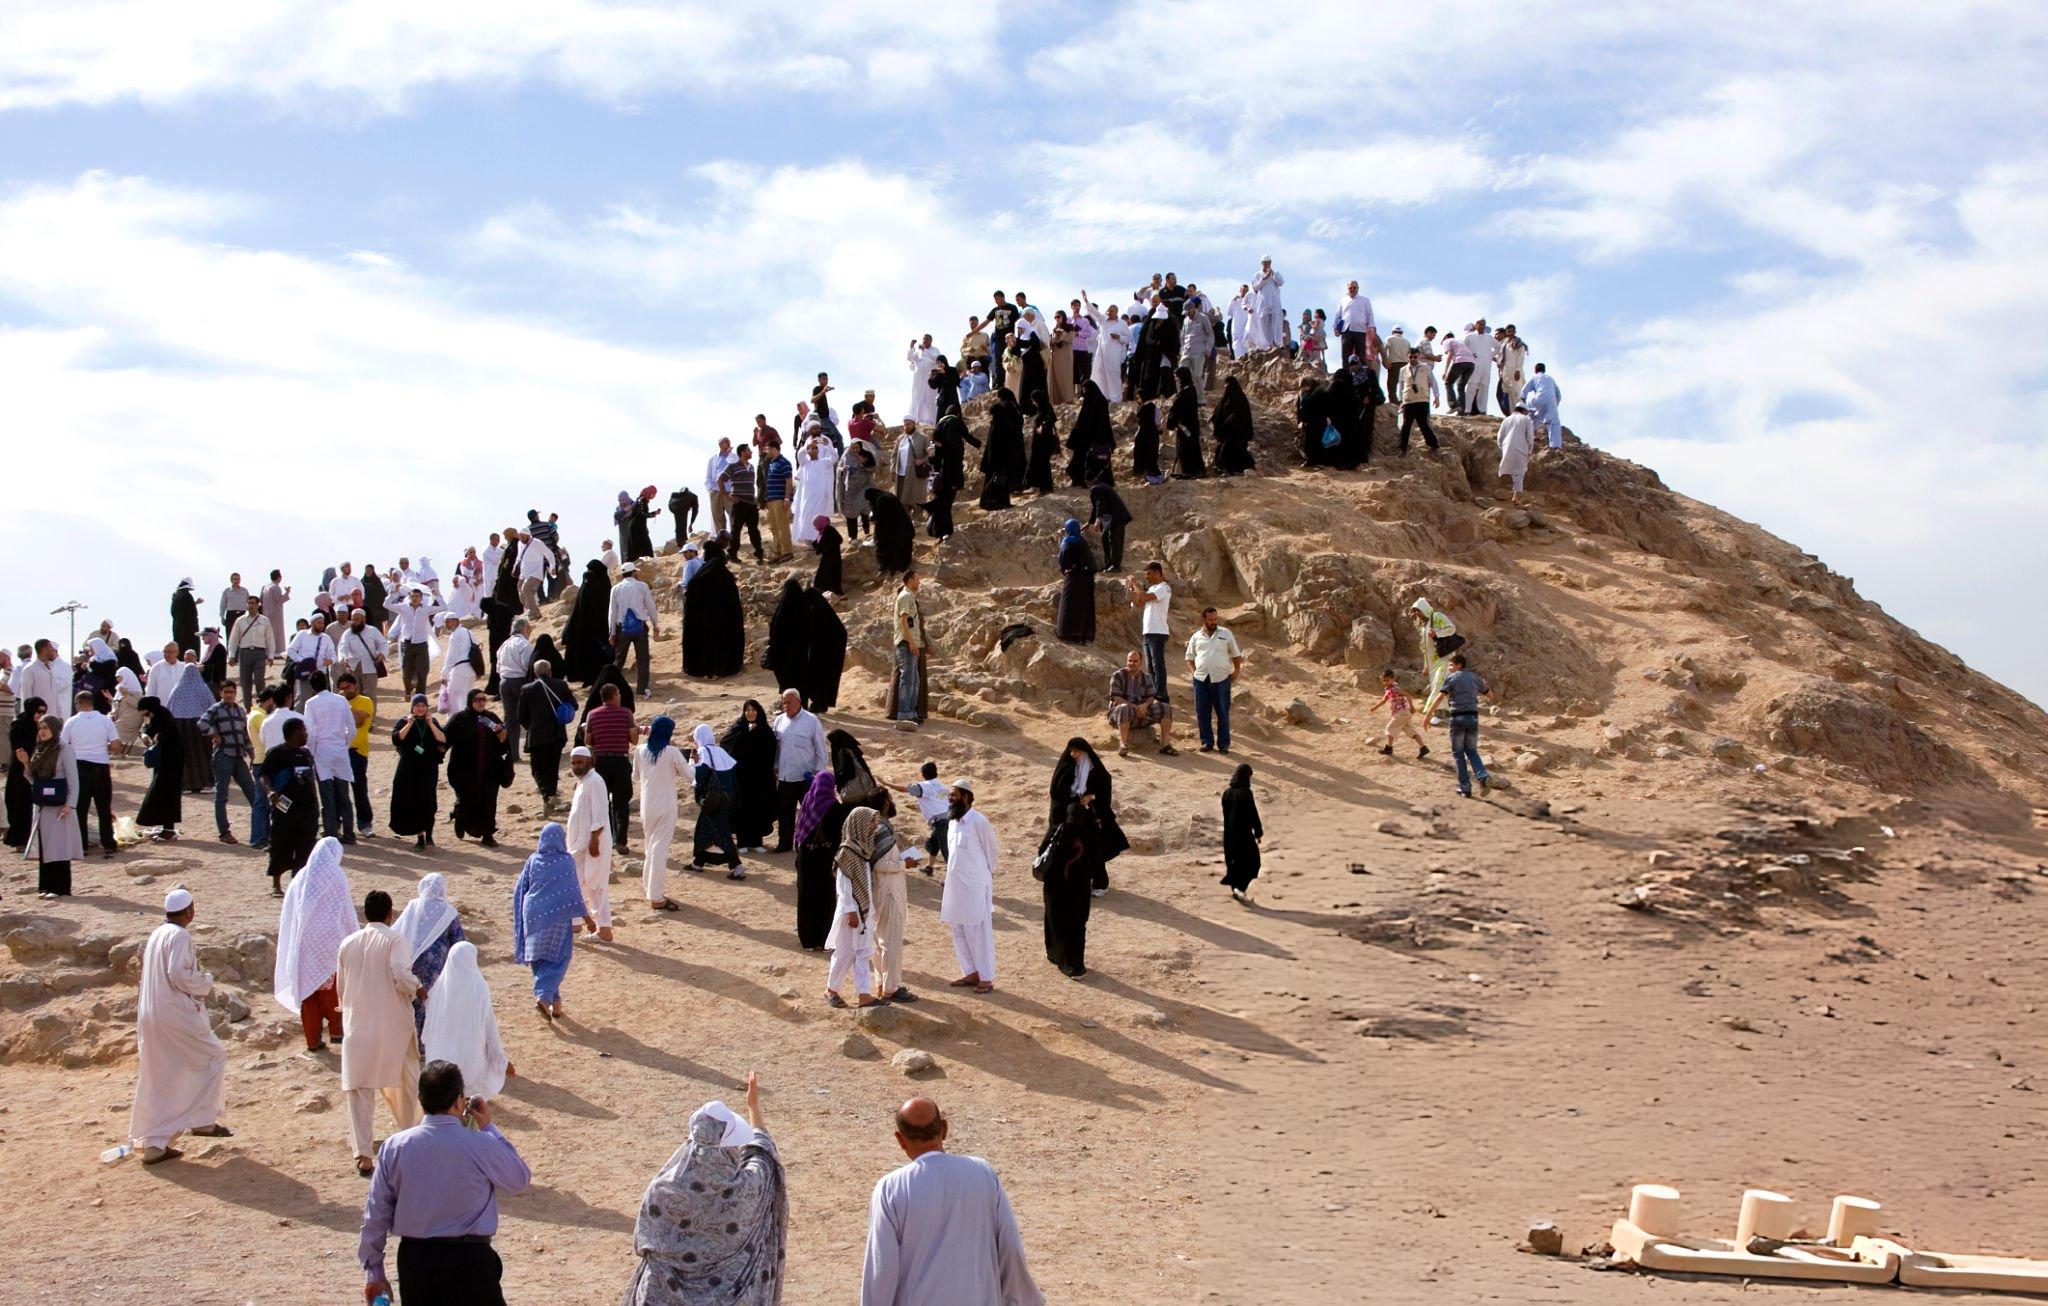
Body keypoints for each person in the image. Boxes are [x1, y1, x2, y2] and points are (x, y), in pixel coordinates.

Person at [358, 1059, 531, 1306]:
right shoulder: (478, 1143)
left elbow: (376, 1214)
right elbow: (519, 1179)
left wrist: (374, 1273)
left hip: (416, 1264)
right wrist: (488, 1127)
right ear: (459, 1100)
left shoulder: (395, 1148)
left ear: (420, 1099)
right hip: (471, 1263)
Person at [861, 1097, 1041, 1306]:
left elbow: (882, 1268)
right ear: (944, 1129)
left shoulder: (890, 1189)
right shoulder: (982, 1173)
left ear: (900, 1140)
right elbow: (1010, 1248)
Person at [625, 1077, 785, 1305]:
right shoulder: (748, 1190)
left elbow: (644, 1244)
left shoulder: (662, 1189)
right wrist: (753, 1108)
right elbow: (762, 1152)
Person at [127, 888, 233, 1165]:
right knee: (214, 1056)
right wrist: (205, 982)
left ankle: (155, 1143)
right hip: (175, 1014)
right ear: (189, 911)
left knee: (164, 1073)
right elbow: (178, 974)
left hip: (153, 1013)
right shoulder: (180, 935)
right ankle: (202, 1120)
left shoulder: (158, 934)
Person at [337, 889, 422, 1177]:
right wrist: (415, 988)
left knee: (359, 1089)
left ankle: (363, 1155)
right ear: (390, 914)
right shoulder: (394, 939)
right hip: (392, 1024)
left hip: (358, 1023)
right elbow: (400, 971)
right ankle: (412, 1139)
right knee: (408, 1079)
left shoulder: (348, 943)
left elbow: (342, 987)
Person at [274, 836, 353, 1051]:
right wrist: (353, 935)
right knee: (333, 993)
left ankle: (313, 1040)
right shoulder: (337, 876)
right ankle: (337, 1032)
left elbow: (290, 912)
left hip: (306, 946)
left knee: (309, 997)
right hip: (331, 945)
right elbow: (345, 911)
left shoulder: (301, 877)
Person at [512, 823, 592, 1020]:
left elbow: (521, 887)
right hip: (556, 918)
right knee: (558, 958)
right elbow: (573, 893)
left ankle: (555, 1006)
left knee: (540, 958)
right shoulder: (566, 861)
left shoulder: (533, 860)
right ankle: (543, 996)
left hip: (532, 915)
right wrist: (588, 919)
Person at [420, 942, 510, 1109]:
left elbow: (428, 1028)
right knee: (467, 1106)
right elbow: (489, 1027)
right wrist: (500, 1060)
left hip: (440, 1061)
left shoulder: (439, 988)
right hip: (470, 1060)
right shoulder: (478, 988)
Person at [941, 780, 1000, 994]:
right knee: (958, 929)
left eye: (954, 795)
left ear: (966, 796)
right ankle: (971, 972)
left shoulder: (979, 821)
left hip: (975, 886)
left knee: (978, 931)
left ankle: (986, 977)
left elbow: (992, 854)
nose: (950, 798)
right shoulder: (953, 822)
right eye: (949, 794)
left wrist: (983, 877)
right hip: (955, 886)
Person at [826, 803, 887, 1007]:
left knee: (863, 952)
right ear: (859, 824)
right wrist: (852, 912)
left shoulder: (863, 851)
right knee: (845, 953)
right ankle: (831, 991)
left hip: (864, 913)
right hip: (851, 914)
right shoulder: (847, 853)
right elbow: (843, 887)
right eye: (870, 822)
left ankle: (864, 994)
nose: (873, 827)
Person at [395, 872, 465, 1038]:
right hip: (435, 967)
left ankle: (406, 1043)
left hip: (410, 961)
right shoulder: (448, 911)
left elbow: (398, 929)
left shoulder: (413, 905)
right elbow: (459, 941)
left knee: (409, 1001)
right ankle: (424, 1044)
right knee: (430, 1003)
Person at [197, 680, 265, 847]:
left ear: (235, 694)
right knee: (221, 796)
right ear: (220, 693)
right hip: (223, 756)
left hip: (238, 756)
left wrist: (250, 751)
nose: (228, 695)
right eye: (225, 692)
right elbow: (201, 723)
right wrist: (214, 734)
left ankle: (262, 830)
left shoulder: (240, 712)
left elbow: (245, 736)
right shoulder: (216, 709)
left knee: (253, 793)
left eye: (231, 692)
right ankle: (224, 832)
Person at [441, 688, 509, 847]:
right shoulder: (460, 718)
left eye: (483, 699)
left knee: (489, 802)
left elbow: (504, 747)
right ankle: (459, 817)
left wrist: (502, 736)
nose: (481, 702)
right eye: (477, 700)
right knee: (466, 801)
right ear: (470, 701)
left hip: (489, 771)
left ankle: (488, 835)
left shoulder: (492, 718)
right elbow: (445, 739)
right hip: (464, 770)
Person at [260, 715, 320, 894]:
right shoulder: (277, 753)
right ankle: (276, 884)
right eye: (303, 730)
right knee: (281, 843)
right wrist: (271, 791)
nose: (306, 734)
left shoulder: (305, 753)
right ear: (294, 733)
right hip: (285, 807)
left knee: (306, 845)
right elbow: (263, 775)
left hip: (307, 808)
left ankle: (299, 883)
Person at [1424, 652, 1495, 799]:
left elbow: (1440, 696)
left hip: (1458, 718)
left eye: (1451, 665)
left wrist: (1428, 715)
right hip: (1473, 718)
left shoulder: (1452, 678)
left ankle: (1466, 788)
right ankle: (1482, 775)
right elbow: (1490, 694)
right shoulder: (1475, 677)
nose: (1449, 668)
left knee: (1458, 753)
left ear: (1458, 665)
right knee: (1472, 750)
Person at [1039, 801, 1098, 977]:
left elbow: (1042, 852)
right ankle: (1075, 965)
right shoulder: (1089, 835)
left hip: (1054, 886)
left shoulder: (1056, 831)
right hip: (1079, 890)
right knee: (1077, 925)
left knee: (1054, 920)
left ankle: (1053, 953)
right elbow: (1096, 861)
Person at [629, 718, 682, 907]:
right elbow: (690, 774)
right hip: (666, 805)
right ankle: (657, 897)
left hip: (647, 806)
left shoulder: (640, 751)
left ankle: (649, 888)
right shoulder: (672, 752)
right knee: (659, 850)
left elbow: (635, 775)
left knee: (650, 846)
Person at [25, 715, 81, 896]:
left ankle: (60, 888)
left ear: (55, 729)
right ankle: (46, 886)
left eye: (46, 728)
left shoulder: (64, 750)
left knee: (59, 847)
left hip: (59, 806)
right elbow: (33, 780)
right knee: (45, 847)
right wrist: (26, 763)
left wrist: (70, 805)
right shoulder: (40, 750)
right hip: (42, 805)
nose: (42, 731)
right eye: (40, 728)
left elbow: (73, 780)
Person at [684, 720, 744, 881]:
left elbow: (698, 778)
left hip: (712, 801)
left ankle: (737, 865)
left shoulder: (701, 753)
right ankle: (698, 862)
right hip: (726, 798)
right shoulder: (721, 752)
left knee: (720, 833)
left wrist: (695, 763)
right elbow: (732, 777)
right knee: (706, 830)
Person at [771, 689, 829, 852]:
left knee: (810, 813)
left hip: (806, 778)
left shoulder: (811, 721)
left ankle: (810, 844)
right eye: (784, 702)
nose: (786, 705)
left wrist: (817, 774)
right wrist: (775, 767)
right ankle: (784, 843)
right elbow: (776, 749)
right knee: (785, 813)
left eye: (789, 702)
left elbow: (820, 750)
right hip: (785, 777)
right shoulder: (779, 721)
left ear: (799, 701)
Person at [792, 771, 844, 951]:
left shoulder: (808, 800)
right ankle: (824, 940)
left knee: (806, 897)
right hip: (826, 859)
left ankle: (807, 939)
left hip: (806, 857)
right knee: (826, 898)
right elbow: (839, 836)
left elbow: (800, 827)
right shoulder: (835, 807)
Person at [567, 746, 614, 941]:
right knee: (574, 883)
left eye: (580, 762)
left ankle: (604, 929)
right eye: (574, 763)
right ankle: (574, 924)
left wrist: (595, 840)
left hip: (594, 843)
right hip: (579, 845)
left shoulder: (595, 781)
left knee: (596, 885)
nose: (577, 766)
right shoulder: (583, 782)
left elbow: (601, 814)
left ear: (590, 761)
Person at [681, 539, 746, 678]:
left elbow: (690, 593)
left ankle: (706, 670)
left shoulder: (700, 576)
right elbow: (735, 606)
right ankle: (722, 669)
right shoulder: (726, 575)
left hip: (704, 623)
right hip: (723, 622)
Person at [720, 700, 779, 854]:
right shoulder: (737, 728)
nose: (750, 712)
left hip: (760, 778)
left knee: (758, 807)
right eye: (747, 710)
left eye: (753, 709)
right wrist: (746, 734)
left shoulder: (765, 730)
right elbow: (726, 745)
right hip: (741, 778)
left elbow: (770, 751)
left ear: (758, 712)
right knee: (742, 809)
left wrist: (756, 733)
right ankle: (742, 843)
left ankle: (757, 841)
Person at [518, 659, 573, 816]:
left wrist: (531, 726)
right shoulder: (561, 685)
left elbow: (521, 716)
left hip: (537, 735)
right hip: (557, 733)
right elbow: (573, 705)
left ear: (535, 673)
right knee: (552, 768)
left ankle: (547, 796)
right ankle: (550, 798)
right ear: (550, 671)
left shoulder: (527, 689)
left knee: (537, 769)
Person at [1185, 607, 1243, 756]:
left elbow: (1236, 654)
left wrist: (1236, 671)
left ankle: (1224, 744)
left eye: (1215, 619)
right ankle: (1207, 742)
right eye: (1210, 619)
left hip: (1221, 679)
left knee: (1222, 712)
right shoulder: (1196, 636)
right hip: (1201, 679)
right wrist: (1194, 673)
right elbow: (1189, 657)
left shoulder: (1226, 633)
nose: (1213, 622)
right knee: (1202, 712)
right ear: (1204, 619)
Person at [1107, 650, 1177, 757]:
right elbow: (1116, 697)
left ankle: (1165, 745)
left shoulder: (1147, 677)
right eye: (1130, 661)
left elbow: (1151, 697)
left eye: (1135, 661)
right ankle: (1123, 744)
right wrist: (1135, 707)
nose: (1132, 663)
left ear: (1140, 662)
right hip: (1121, 714)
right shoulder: (1118, 675)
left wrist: (1144, 706)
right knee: (1123, 707)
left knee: (1166, 707)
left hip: (1142, 713)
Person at [605, 560, 659, 696]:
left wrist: (611, 632)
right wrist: (655, 624)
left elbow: (612, 612)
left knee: (619, 660)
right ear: (634, 572)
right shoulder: (642, 586)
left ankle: (612, 690)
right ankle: (642, 689)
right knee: (643, 659)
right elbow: (651, 606)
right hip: (640, 627)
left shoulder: (615, 589)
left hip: (622, 629)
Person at [135, 695, 184, 840]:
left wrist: (149, 736)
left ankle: (168, 830)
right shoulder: (159, 716)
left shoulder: (164, 718)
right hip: (166, 763)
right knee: (161, 794)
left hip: (171, 763)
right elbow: (148, 728)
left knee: (165, 794)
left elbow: (158, 734)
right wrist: (145, 734)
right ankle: (166, 827)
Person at [1219, 764, 1264, 904]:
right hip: (1243, 835)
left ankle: (1236, 890)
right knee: (1253, 862)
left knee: (1234, 863)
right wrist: (1258, 832)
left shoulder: (1226, 792)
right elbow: (1252, 813)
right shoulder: (1246, 792)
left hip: (1229, 835)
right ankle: (1240, 889)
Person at [4, 696, 44, 852]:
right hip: (19, 769)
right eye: (38, 711)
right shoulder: (18, 725)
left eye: (43, 712)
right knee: (18, 803)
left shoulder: (41, 727)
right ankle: (20, 839)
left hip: (35, 768)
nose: (40, 715)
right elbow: (18, 747)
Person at [800, 586, 848, 715]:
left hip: (821, 652)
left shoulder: (816, 610)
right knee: (823, 679)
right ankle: (821, 703)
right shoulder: (824, 609)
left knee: (817, 678)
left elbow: (814, 633)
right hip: (830, 652)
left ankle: (819, 704)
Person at [1407, 596, 1462, 703]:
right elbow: (1425, 650)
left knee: (1438, 683)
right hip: (1433, 662)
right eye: (1415, 611)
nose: (1417, 613)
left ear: (1424, 609)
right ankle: (1443, 708)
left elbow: (1451, 628)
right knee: (1438, 684)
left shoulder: (1437, 617)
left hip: (1445, 657)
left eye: (1418, 610)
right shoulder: (1423, 627)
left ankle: (1430, 707)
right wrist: (1426, 667)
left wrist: (1437, 633)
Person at [889, 570, 925, 730]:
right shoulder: (906, 597)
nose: (919, 582)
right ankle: (904, 714)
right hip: (905, 643)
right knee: (908, 679)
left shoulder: (909, 596)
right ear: (910, 580)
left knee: (913, 680)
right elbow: (904, 621)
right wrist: (911, 643)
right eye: (917, 579)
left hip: (910, 642)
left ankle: (910, 713)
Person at [1135, 562, 1173, 706]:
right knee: (1150, 665)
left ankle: (1162, 696)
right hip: (1148, 631)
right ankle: (1153, 693)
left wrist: (1135, 584)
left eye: (1149, 574)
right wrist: (1133, 590)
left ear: (1158, 573)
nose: (1147, 577)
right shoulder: (1152, 588)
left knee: (1158, 665)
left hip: (1158, 631)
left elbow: (1145, 597)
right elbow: (1139, 602)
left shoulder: (1164, 588)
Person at [1371, 669, 1430, 759]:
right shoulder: (1388, 690)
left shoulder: (1395, 688)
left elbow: (1408, 695)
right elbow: (1383, 700)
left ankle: (1389, 748)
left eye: (1387, 680)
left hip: (1401, 712)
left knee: (1390, 728)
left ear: (1393, 679)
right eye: (1384, 680)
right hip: (1403, 713)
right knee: (1411, 731)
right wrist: (1374, 708)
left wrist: (1412, 707)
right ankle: (1423, 748)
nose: (1385, 682)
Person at [227, 596, 275, 703]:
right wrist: (231, 655)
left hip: (259, 653)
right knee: (245, 682)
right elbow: (234, 639)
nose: (251, 605)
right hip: (245, 653)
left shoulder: (264, 620)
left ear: (258, 605)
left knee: (259, 680)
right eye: (249, 603)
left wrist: (271, 656)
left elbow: (270, 639)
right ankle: (248, 709)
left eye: (253, 603)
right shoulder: (240, 621)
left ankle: (262, 703)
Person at [1398, 345, 1440, 454]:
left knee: (1423, 424)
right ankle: (1402, 448)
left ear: (1419, 356)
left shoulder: (1425, 367)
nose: (1412, 359)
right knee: (1406, 425)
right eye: (1410, 357)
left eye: (1415, 357)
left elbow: (1433, 382)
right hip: (1409, 400)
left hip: (1422, 399)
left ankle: (1433, 445)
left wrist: (1436, 397)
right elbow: (1401, 386)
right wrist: (1400, 400)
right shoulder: (1403, 370)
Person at [1167, 367, 1207, 478]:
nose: (1176, 380)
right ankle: (1186, 471)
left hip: (1188, 426)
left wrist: (1173, 419)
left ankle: (1191, 471)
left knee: (1188, 448)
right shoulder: (1187, 390)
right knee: (1183, 448)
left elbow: (1180, 408)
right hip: (1185, 425)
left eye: (1177, 377)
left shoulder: (1189, 392)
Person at [1212, 376, 1256, 475]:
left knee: (1230, 449)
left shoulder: (1240, 398)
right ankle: (1226, 469)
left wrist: (1230, 423)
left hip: (1237, 431)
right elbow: (1219, 411)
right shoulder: (1227, 397)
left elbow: (1242, 416)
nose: (1226, 387)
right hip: (1227, 431)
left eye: (1227, 385)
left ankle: (1231, 470)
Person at [1495, 403, 1536, 501]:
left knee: (1514, 471)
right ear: (1524, 411)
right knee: (1520, 472)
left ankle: (1514, 493)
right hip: (1520, 447)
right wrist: (1530, 449)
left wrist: (1501, 447)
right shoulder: (1526, 419)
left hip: (1506, 447)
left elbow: (1500, 436)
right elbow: (1530, 437)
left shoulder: (1506, 419)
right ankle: (1516, 498)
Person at [1521, 363, 1563, 449]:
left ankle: (1528, 435)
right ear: (1544, 370)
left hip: (1537, 400)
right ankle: (1555, 446)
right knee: (1554, 423)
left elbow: (1524, 390)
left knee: (1533, 416)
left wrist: (1523, 402)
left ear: (1535, 370)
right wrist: (1555, 405)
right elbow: (1558, 393)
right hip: (1551, 401)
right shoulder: (1551, 379)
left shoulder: (1534, 377)